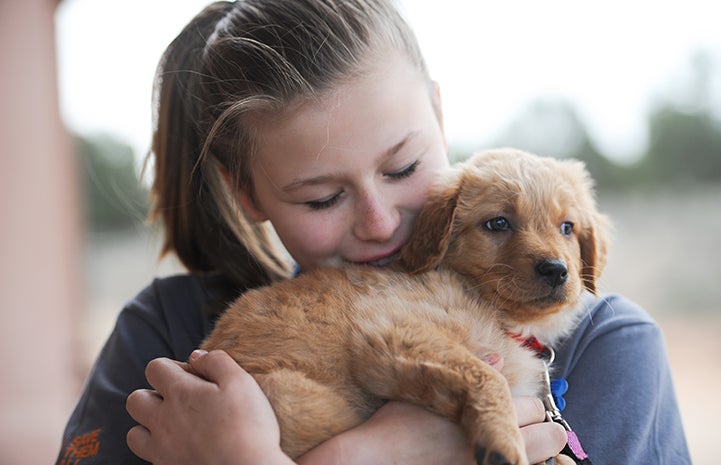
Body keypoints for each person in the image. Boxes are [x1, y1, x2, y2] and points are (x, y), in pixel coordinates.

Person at [56, 1, 692, 464]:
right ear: (246, 193)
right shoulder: (165, 334)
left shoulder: (603, 346)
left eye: (404, 167)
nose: (381, 221)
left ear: (439, 116)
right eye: (324, 196)